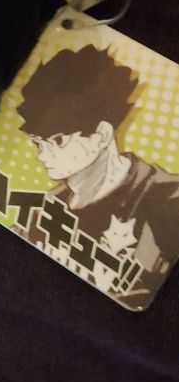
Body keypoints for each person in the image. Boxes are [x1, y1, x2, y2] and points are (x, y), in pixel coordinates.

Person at [16, 45, 179, 309]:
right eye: (38, 143)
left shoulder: (168, 198)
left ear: (101, 135)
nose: (43, 156)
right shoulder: (40, 210)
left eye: (57, 141)